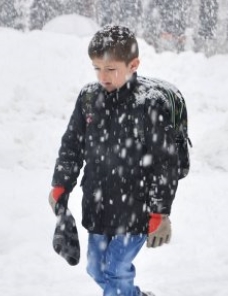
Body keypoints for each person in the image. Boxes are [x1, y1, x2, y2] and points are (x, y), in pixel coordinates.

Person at [49, 25, 180, 296]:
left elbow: (165, 163)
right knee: (96, 269)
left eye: (111, 69)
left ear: (133, 64)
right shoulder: (88, 99)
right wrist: (61, 184)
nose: (103, 76)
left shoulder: (149, 103)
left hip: (136, 208)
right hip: (98, 204)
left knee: (116, 270)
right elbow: (72, 145)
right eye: (97, 68)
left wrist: (159, 211)